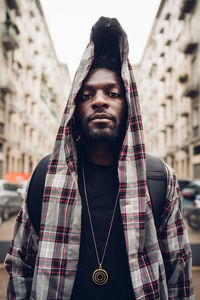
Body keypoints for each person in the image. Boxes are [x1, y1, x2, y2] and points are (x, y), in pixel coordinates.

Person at [5, 17, 194, 299]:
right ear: (74, 110)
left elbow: (178, 273)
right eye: (87, 94)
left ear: (128, 104)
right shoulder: (45, 176)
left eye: (113, 93)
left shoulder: (158, 179)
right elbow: (21, 266)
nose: (100, 101)